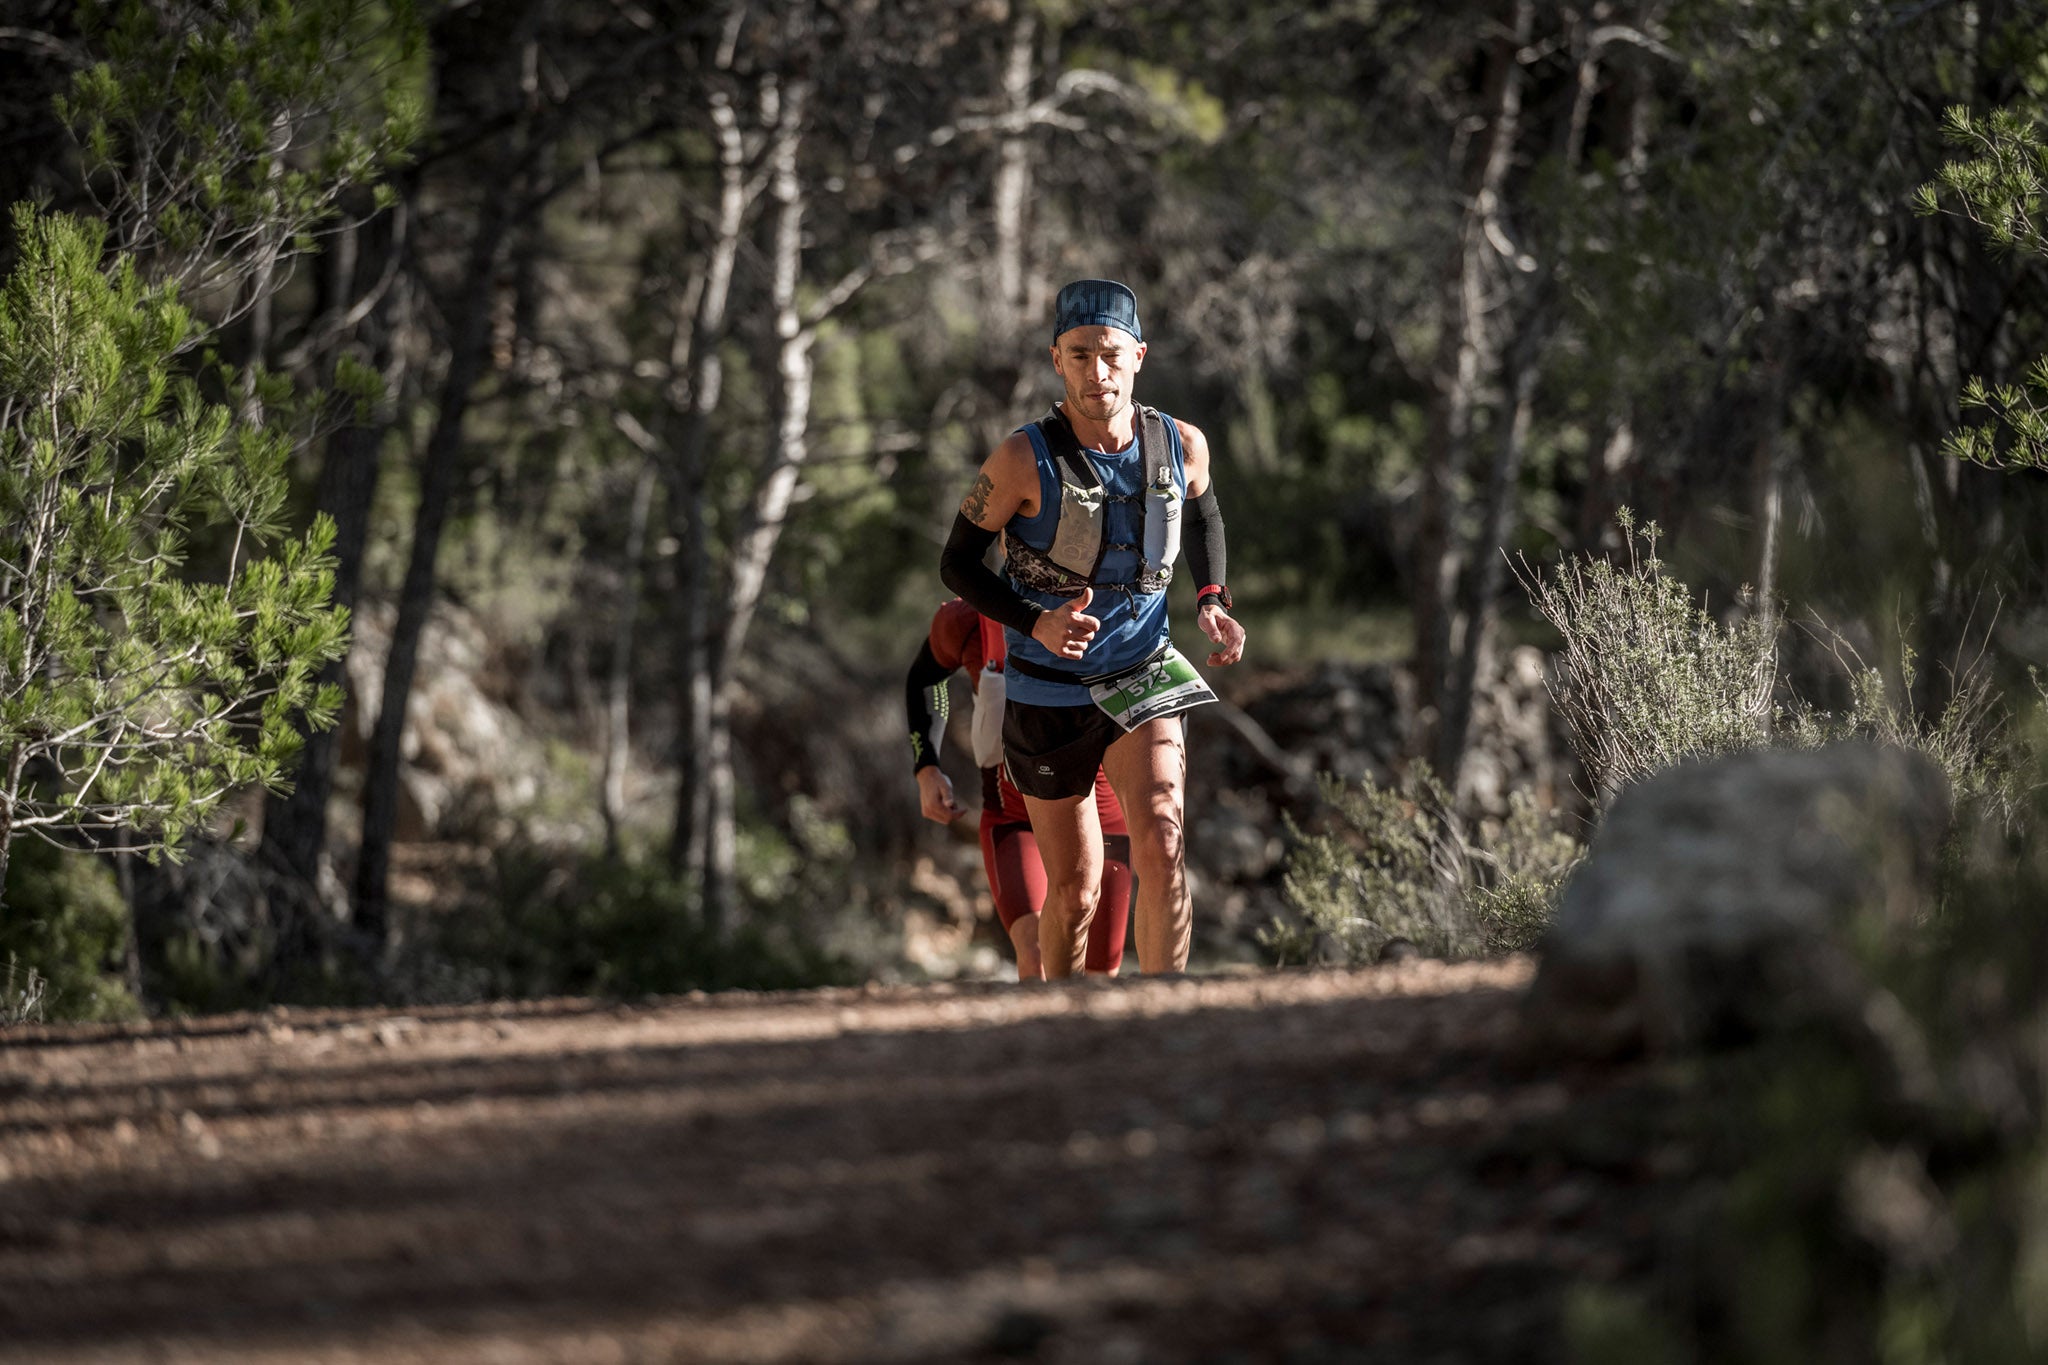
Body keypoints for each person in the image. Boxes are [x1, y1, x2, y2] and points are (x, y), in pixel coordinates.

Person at [938, 278, 1245, 977]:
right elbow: (957, 564)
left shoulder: (1180, 443)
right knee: (1077, 892)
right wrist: (1033, 623)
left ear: (1139, 355)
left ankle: (1166, 1024)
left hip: (1144, 667)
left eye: (1110, 354)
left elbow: (1201, 516)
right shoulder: (1021, 459)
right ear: (1056, 359)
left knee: (1162, 843)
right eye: (1079, 355)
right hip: (1049, 688)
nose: (1096, 372)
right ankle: (1060, 1028)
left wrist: (1211, 598)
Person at [906, 598, 1133, 979]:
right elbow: (930, 682)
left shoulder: (1110, 607)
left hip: (1103, 821)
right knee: (1037, 954)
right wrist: (926, 764)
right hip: (1015, 817)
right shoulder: (968, 619)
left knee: (1100, 975)